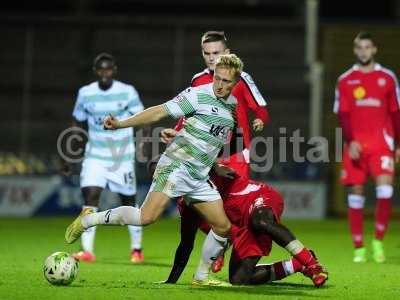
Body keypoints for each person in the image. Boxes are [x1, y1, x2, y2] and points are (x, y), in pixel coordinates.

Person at [65, 54, 244, 285]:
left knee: (222, 227)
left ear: (236, 82)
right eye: (217, 79)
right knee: (145, 218)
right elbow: (158, 111)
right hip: (176, 166)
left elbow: (209, 141)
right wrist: (121, 123)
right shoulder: (198, 95)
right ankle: (88, 219)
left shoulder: (231, 106)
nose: (220, 85)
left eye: (226, 81)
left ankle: (201, 276)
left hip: (199, 176)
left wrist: (215, 167)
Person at [157, 159, 328, 287]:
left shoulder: (205, 172)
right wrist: (171, 281)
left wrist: (216, 167)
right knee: (239, 280)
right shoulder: (186, 207)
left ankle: (311, 262)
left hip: (258, 197)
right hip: (242, 225)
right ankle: (296, 264)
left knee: (261, 221)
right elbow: (186, 245)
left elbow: (207, 160)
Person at [64, 53, 145, 263]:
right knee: (90, 198)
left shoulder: (127, 92)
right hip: (95, 156)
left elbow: (142, 118)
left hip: (122, 156)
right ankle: (87, 250)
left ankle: (136, 249)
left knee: (129, 202)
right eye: (101, 70)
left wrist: (144, 147)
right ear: (96, 71)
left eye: (108, 70)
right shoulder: (85, 93)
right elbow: (77, 121)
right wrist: (68, 153)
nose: (104, 74)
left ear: (114, 70)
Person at [161, 31, 269, 178]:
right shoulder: (198, 80)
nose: (211, 58)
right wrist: (177, 131)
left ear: (227, 53)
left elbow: (260, 108)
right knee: (199, 198)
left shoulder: (242, 78)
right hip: (204, 152)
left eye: (216, 53)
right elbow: (189, 114)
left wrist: (260, 119)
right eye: (207, 53)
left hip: (235, 152)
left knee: (235, 199)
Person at [334, 32, 400, 263]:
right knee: (356, 194)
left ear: (374, 50)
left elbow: (395, 113)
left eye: (367, 47)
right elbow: (342, 114)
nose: (363, 51)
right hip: (356, 145)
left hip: (383, 143)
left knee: (385, 190)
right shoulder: (345, 80)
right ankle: (359, 247)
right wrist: (350, 141)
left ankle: (378, 241)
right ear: (355, 50)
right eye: (359, 47)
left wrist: (397, 145)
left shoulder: (387, 77)